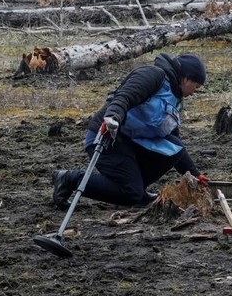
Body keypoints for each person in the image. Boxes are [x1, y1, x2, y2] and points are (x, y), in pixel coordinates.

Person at [51, 53, 210, 209]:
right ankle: (68, 179)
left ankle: (138, 189)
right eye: (196, 86)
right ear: (186, 78)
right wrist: (112, 118)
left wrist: (194, 174)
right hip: (109, 137)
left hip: (133, 143)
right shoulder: (154, 75)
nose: (194, 92)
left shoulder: (175, 98)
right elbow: (124, 97)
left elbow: (172, 138)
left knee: (174, 146)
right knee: (130, 194)